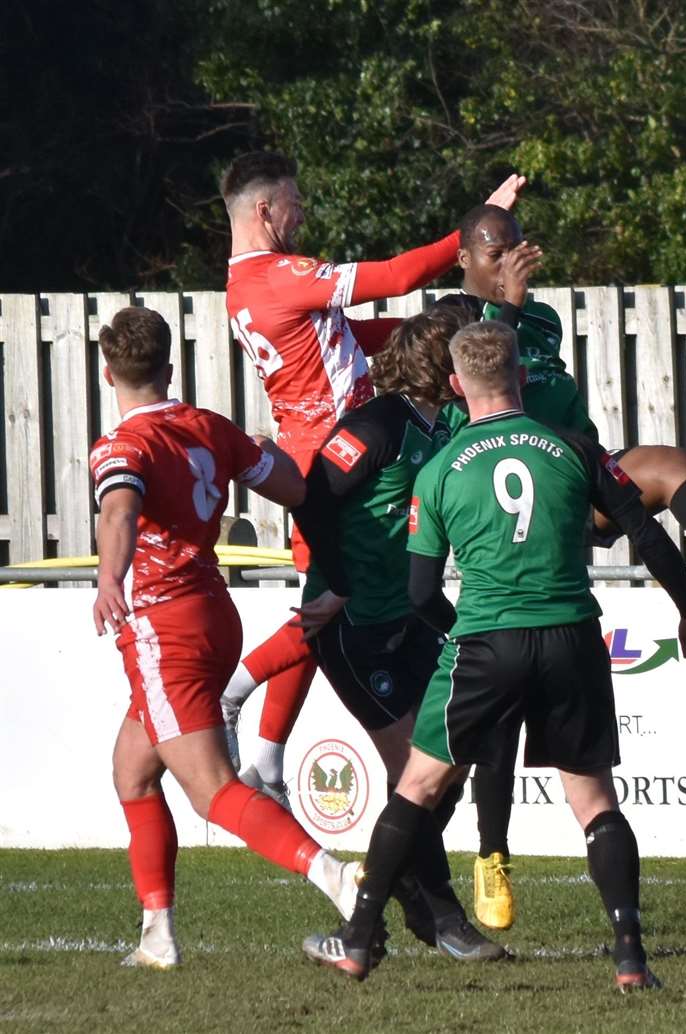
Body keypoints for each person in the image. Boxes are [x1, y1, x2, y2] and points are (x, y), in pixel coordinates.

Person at [302, 321, 686, 991]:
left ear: (458, 386)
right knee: (595, 801)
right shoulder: (576, 449)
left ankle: (356, 942)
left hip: (486, 641)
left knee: (418, 785)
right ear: (521, 376)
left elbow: (419, 591)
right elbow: (646, 532)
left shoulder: (437, 472)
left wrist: (466, 629)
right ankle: (631, 958)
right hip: (572, 636)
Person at [435, 203, 686, 931]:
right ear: (466, 261)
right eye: (494, 249)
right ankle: (492, 855)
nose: (512, 258)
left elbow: (559, 405)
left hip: (569, 478)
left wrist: (685, 603)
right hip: (509, 508)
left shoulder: (539, 322)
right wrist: (503, 303)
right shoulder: (452, 319)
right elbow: (483, 395)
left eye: (517, 245)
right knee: (502, 715)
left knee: (665, 464)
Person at [219, 151, 526, 806]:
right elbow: (389, 277)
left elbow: (358, 335)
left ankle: (269, 760)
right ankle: (236, 693)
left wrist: (442, 325)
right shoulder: (278, 275)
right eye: (296, 202)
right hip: (338, 461)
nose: (304, 214)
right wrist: (470, 236)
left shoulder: (247, 287)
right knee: (330, 605)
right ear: (266, 210)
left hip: (327, 450)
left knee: (331, 603)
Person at [89, 307, 363, 970]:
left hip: (163, 625)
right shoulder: (209, 427)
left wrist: (108, 577)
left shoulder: (120, 446)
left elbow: (121, 508)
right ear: (170, 367)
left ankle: (336, 878)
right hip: (214, 612)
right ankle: (157, 933)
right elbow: (293, 486)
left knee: (212, 790)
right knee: (133, 768)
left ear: (107, 373)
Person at [287, 305, 505, 962]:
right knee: (418, 769)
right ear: (442, 366)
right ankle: (432, 914)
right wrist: (340, 586)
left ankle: (405, 893)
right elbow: (314, 497)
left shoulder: (448, 426)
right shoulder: (378, 423)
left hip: (410, 617)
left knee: (449, 763)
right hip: (353, 624)